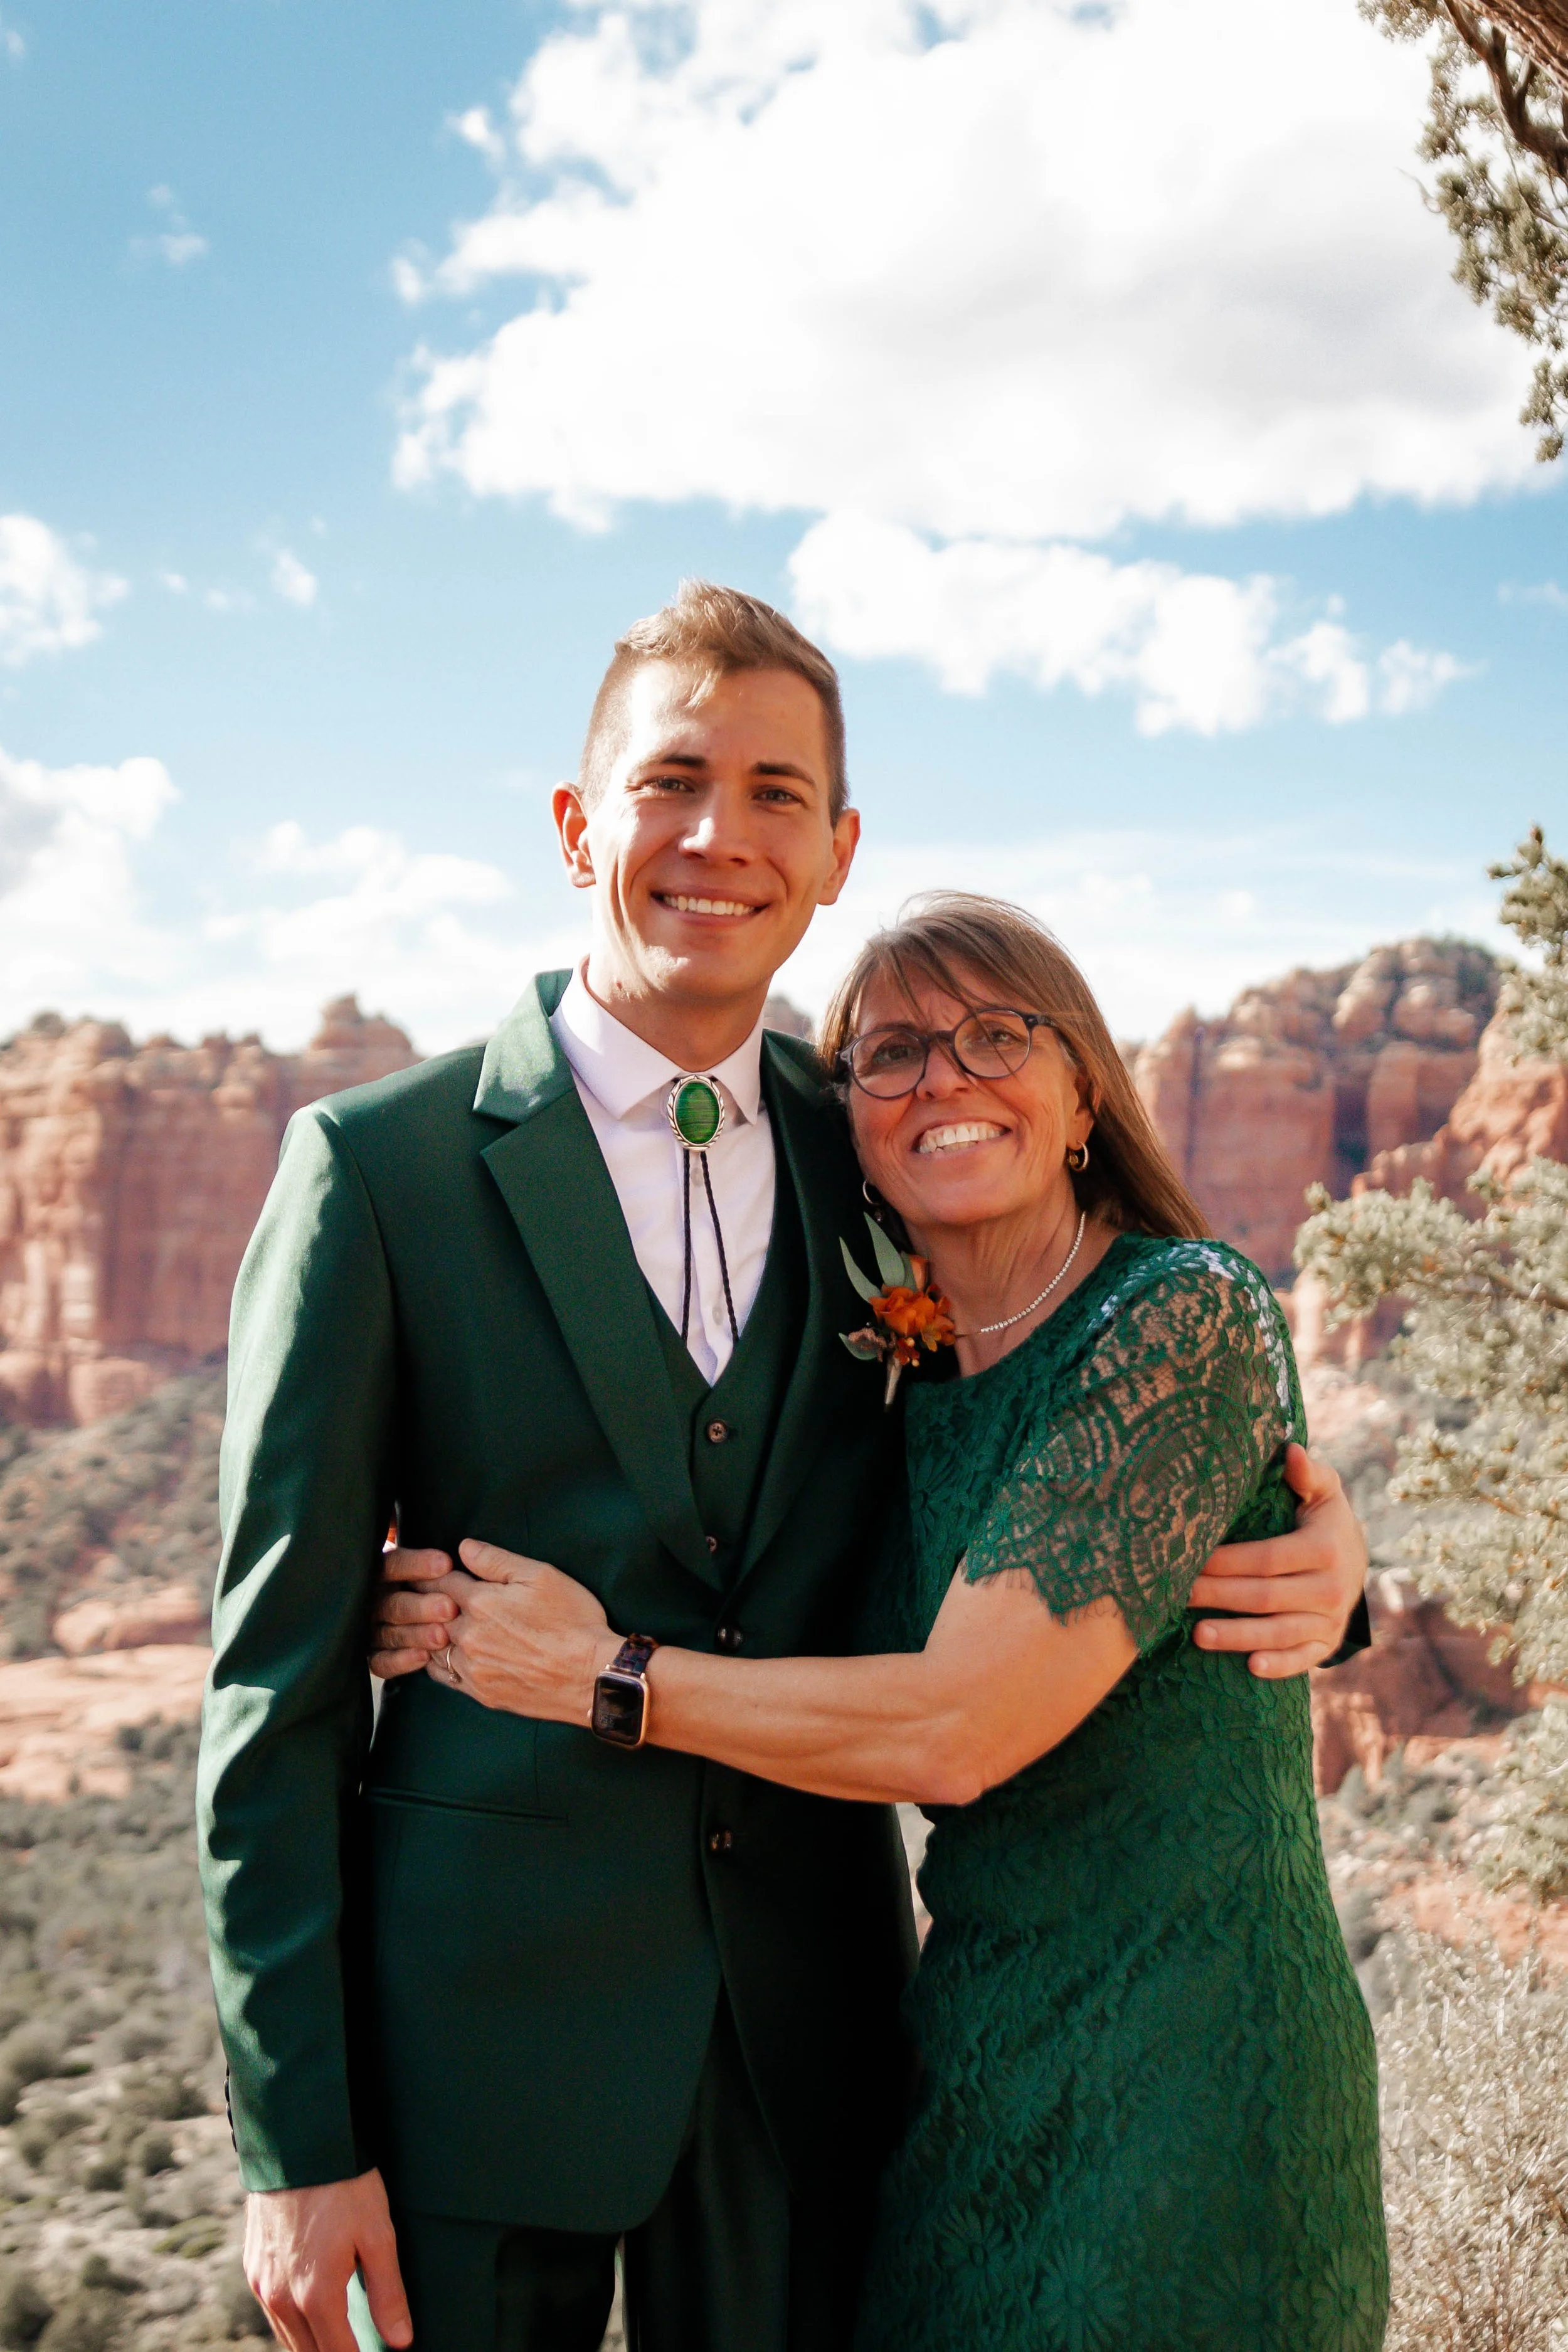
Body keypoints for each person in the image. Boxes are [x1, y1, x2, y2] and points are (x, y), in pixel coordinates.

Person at [200, 583, 1370, 2352]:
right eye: (671, 779)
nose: (714, 834)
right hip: (474, 2052)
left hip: (817, 2050)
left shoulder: (883, 1141)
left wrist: (1335, 1594)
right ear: (578, 823)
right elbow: (268, 1683)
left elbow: (1078, 1436)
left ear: (832, 849)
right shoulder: (377, 1167)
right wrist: (296, 2136)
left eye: (769, 792)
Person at [372, 893, 1389, 2351]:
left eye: (995, 1037)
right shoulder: (884, 1387)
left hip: (1198, 2072)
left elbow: (954, 1727)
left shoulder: (1182, 1316)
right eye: (893, 1053)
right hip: (964, 2063)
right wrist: (383, 1598)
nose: (944, 1081)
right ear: (842, 1115)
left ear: (1082, 1088)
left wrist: (599, 1677)